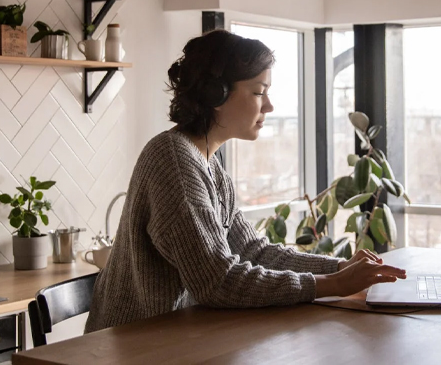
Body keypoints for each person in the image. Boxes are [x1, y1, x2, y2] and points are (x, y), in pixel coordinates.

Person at [84, 29, 406, 333]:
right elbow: (217, 282)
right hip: (130, 347)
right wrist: (331, 285)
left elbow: (253, 251)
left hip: (175, 337)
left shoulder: (207, 163)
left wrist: (339, 268)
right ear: (215, 94)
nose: (269, 105)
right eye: (259, 92)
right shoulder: (174, 162)